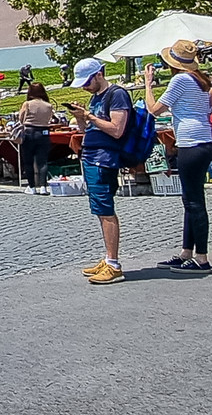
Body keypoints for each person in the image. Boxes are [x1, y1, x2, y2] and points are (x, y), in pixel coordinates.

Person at [145, 41, 212, 270]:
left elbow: (154, 109)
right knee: (190, 198)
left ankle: (202, 257)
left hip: (191, 142)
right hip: (203, 139)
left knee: (194, 201)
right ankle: (187, 251)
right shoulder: (200, 80)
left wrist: (148, 85)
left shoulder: (180, 80)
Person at [65, 57, 130, 285]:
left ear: (99, 74)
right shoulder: (96, 97)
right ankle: (108, 258)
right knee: (99, 209)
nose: (84, 86)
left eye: (87, 81)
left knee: (105, 208)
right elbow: (89, 128)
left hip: (104, 159)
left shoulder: (117, 95)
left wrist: (90, 116)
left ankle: (114, 263)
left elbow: (117, 129)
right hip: (92, 156)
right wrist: (81, 118)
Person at [16, 83, 57, 194]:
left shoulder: (27, 104)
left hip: (29, 131)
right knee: (42, 161)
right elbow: (49, 119)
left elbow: (21, 118)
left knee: (28, 161)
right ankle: (43, 186)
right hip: (43, 132)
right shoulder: (48, 105)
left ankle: (32, 186)